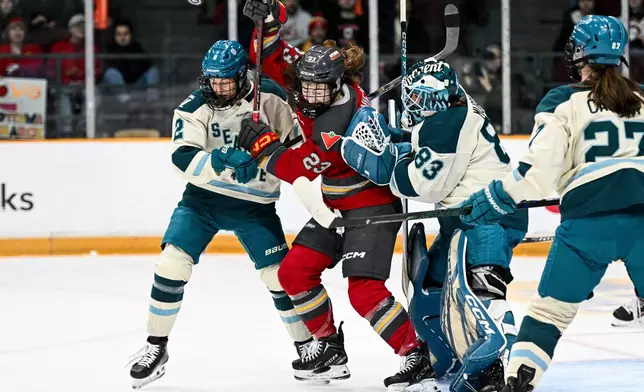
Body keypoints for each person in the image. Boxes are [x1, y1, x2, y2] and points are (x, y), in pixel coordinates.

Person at [236, 1, 439, 389]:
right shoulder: (321, 80)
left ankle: (415, 354)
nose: (308, 94)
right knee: (294, 273)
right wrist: (273, 19)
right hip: (338, 205)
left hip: (371, 207)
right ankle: (330, 348)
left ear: (336, 83)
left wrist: (263, 147)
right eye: (305, 86)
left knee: (363, 290)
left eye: (317, 88)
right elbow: (272, 59)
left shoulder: (335, 123)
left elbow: (297, 169)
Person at [459, 15, 644, 392]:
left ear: (576, 54)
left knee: (549, 313)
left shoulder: (563, 101)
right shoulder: (642, 97)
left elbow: (537, 174)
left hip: (589, 226)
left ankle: (519, 380)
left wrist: (492, 199)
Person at [127, 40, 313, 389]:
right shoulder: (194, 106)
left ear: (243, 76)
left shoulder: (271, 98)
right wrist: (221, 160)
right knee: (171, 264)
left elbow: (298, 147)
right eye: (212, 80)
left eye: (226, 80)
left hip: (256, 206)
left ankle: (308, 347)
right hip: (203, 202)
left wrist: (268, 154)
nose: (218, 87)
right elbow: (181, 156)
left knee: (278, 277)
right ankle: (156, 347)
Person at [340, 58, 528, 392]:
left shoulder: (446, 124)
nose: (410, 104)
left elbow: (424, 186)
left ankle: (505, 370)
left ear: (433, 101)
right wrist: (401, 140)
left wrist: (388, 165)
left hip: (488, 218)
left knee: (482, 290)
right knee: (431, 289)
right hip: (465, 218)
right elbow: (426, 146)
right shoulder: (454, 106)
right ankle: (452, 359)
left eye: (416, 99)